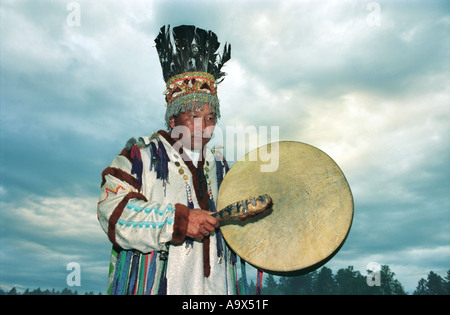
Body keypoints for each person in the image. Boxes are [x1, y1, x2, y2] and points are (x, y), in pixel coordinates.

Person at [97, 25, 237, 295]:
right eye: (194, 117)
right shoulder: (139, 158)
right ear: (173, 120)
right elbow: (113, 214)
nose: (204, 127)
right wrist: (178, 221)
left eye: (210, 118)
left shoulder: (222, 168)